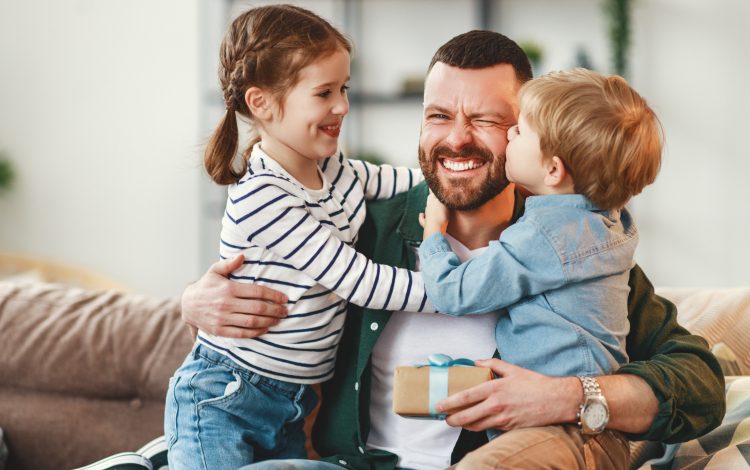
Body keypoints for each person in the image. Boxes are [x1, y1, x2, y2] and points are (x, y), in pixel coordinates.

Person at [181, 31, 725, 470]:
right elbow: (246, 340)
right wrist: (193, 305)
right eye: (439, 115)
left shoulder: (574, 252)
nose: (456, 139)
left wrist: (567, 397)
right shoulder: (362, 227)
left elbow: (700, 384)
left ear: (532, 139)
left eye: (487, 121)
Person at [164, 5, 433, 469]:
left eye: (343, 88)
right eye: (324, 92)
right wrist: (460, 289)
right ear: (261, 103)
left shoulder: (337, 170)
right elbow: (360, 281)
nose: (342, 106)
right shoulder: (263, 196)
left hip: (292, 404)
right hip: (226, 398)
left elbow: (413, 182)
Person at [417, 67, 663, 468]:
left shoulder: (546, 235)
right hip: (592, 437)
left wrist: (435, 232)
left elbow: (453, 292)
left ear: (552, 169)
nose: (511, 136)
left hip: (566, 433)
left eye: (517, 131)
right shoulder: (607, 222)